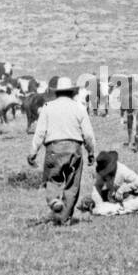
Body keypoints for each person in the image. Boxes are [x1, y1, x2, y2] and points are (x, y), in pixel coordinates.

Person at [27, 76, 97, 223]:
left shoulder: (47, 107)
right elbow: (88, 135)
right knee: (72, 184)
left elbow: (40, 132)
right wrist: (91, 152)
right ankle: (64, 218)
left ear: (56, 92)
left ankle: (54, 200)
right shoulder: (79, 107)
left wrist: (33, 152)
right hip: (74, 149)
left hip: (54, 148)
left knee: (53, 178)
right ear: (72, 92)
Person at [83, 150, 138, 214]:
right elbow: (97, 187)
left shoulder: (122, 170)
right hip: (111, 194)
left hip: (126, 195)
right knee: (88, 199)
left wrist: (122, 189)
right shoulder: (101, 171)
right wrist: (98, 203)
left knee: (136, 202)